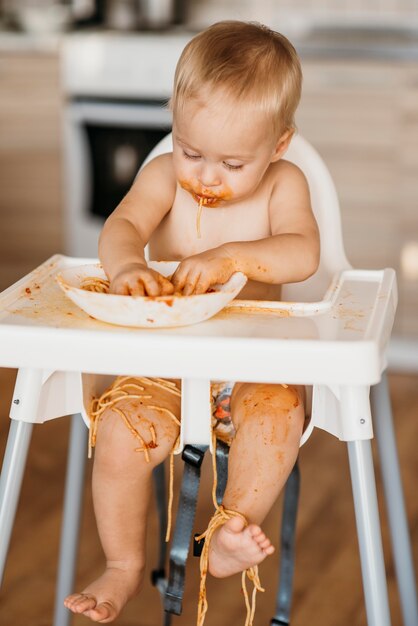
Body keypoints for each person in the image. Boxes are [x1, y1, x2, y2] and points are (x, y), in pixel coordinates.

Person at [64, 20, 320, 623]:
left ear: (277, 146)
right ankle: (123, 564)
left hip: (254, 366)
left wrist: (231, 257)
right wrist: (127, 265)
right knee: (122, 434)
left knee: (277, 422)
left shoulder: (285, 184)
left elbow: (303, 252)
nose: (205, 176)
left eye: (232, 163)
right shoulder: (163, 178)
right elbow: (122, 227)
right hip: (170, 361)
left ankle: (233, 529)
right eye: (190, 151)